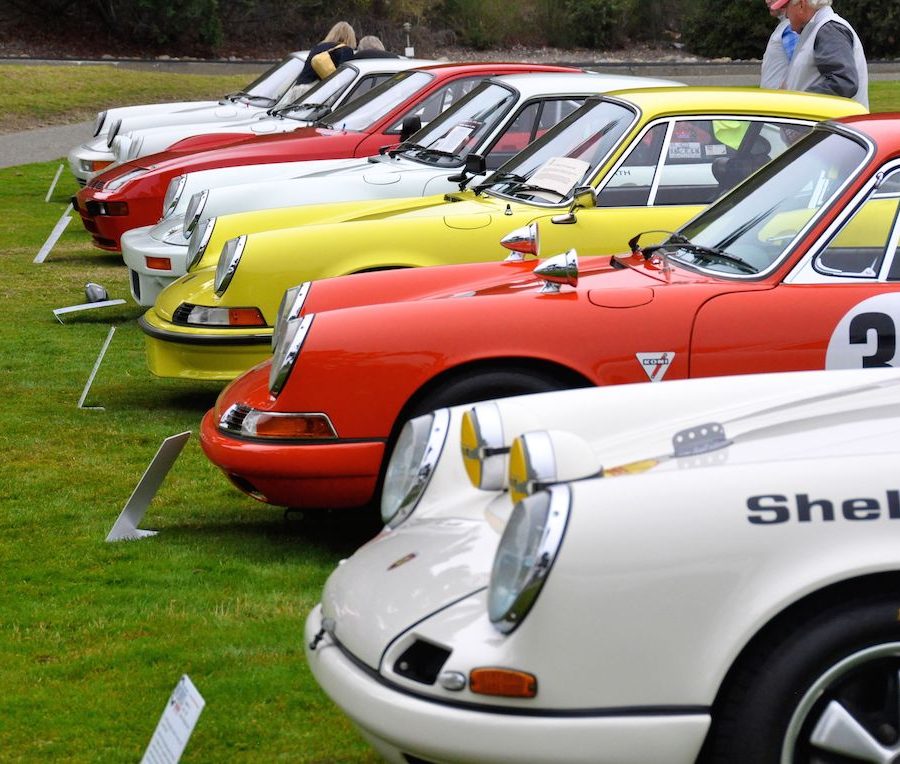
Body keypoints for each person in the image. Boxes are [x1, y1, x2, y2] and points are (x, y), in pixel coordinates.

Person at [769, 0, 868, 107]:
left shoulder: (829, 29)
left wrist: (797, 103)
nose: (786, 15)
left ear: (801, 4)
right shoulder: (819, 28)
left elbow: (843, 83)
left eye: (786, 7)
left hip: (832, 121)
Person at [295, 21, 357, 86]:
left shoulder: (318, 46)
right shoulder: (345, 50)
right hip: (314, 90)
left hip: (298, 88)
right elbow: (344, 77)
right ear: (351, 37)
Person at [761, 0, 799, 88]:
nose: (767, 1)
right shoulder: (786, 26)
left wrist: (782, 92)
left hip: (779, 100)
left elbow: (799, 68)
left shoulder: (790, 28)